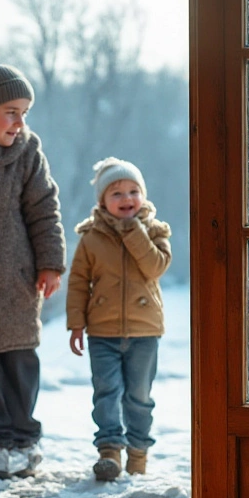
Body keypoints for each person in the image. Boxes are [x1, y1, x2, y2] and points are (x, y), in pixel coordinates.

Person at [0, 56, 66, 482]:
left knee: (19, 362)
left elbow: (44, 209)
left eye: (24, 113)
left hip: (16, 277)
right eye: (10, 113)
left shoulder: (28, 152)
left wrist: (50, 263)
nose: (18, 123)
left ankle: (25, 440)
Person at [66, 158, 172, 481]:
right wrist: (76, 324)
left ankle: (138, 453)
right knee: (106, 392)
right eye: (117, 193)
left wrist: (133, 231)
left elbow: (155, 267)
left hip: (144, 330)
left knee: (139, 396)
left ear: (143, 194)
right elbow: (78, 281)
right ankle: (109, 452)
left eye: (133, 191)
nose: (126, 198)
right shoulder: (91, 238)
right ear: (102, 202)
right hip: (102, 331)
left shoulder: (155, 231)